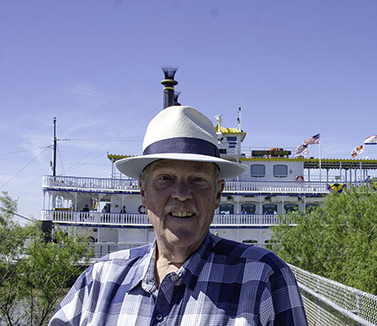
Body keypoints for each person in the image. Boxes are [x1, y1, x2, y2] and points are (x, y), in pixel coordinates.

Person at [50, 106, 308, 325]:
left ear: (218, 193)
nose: (182, 194)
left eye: (197, 179)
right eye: (165, 179)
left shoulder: (264, 277)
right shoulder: (99, 280)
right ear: (143, 191)